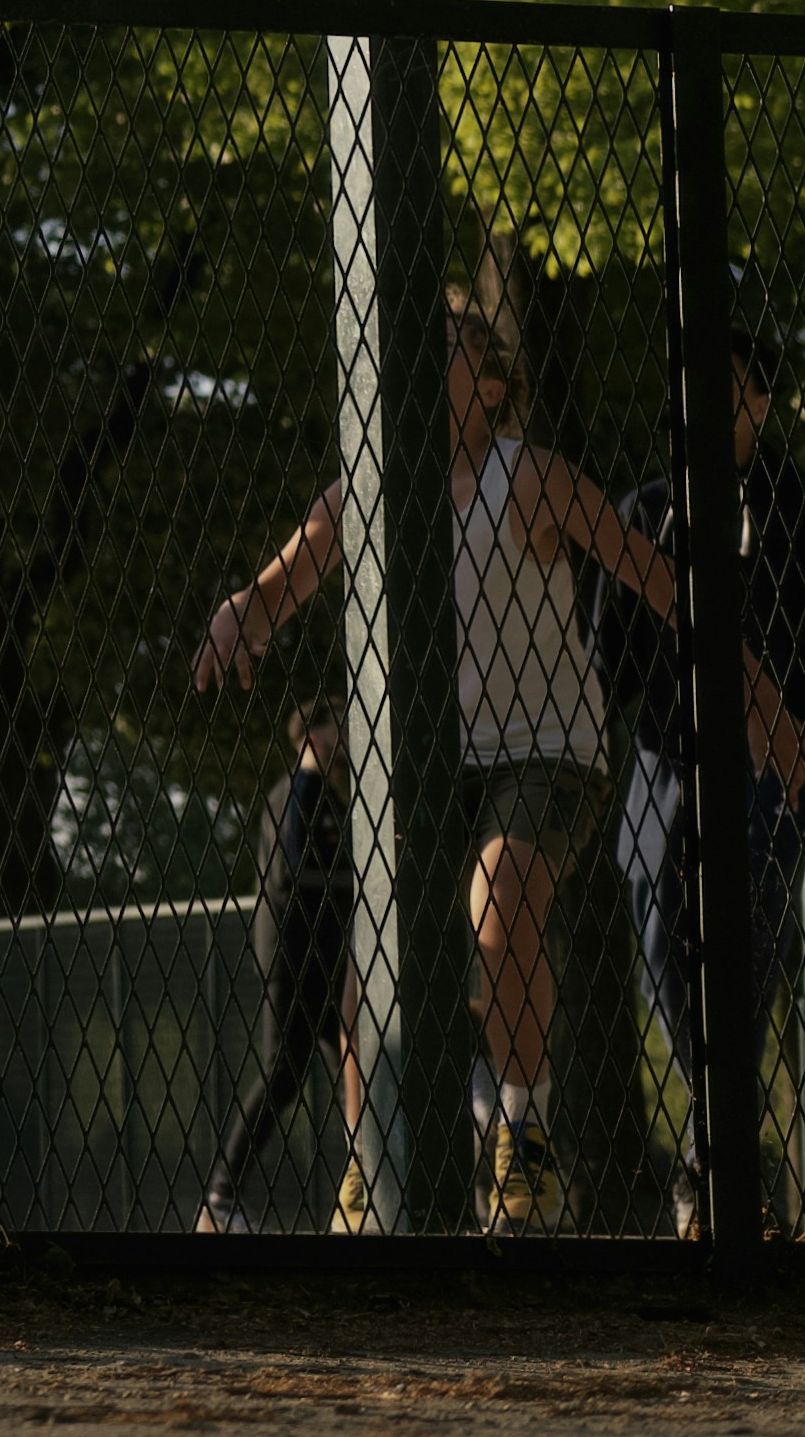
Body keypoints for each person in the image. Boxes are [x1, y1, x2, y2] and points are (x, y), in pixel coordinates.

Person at [196, 292, 703, 1232]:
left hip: (551, 745)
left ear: (493, 385)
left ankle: (524, 1143)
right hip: (424, 760)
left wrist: (738, 675)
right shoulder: (367, 489)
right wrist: (240, 617)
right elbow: (286, 580)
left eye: (443, 351)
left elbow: (650, 573)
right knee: (365, 970)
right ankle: (368, 1167)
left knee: (501, 898)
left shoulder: (533, 479)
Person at [586, 325, 805, 1239]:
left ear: (760, 403)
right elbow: (607, 657)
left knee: (757, 937)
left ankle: (718, 1155)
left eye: (731, 391)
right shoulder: (644, 511)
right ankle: (724, 1133)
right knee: (659, 941)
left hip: (773, 756)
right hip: (663, 756)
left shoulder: (795, 505)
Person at [194, 705, 354, 1235]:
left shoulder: (329, 793)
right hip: (294, 953)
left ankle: (369, 1181)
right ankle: (220, 1196)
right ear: (312, 734)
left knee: (361, 1066)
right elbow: (291, 873)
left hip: (326, 956)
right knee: (285, 1071)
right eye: (338, 727)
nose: (347, 736)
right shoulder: (297, 793)